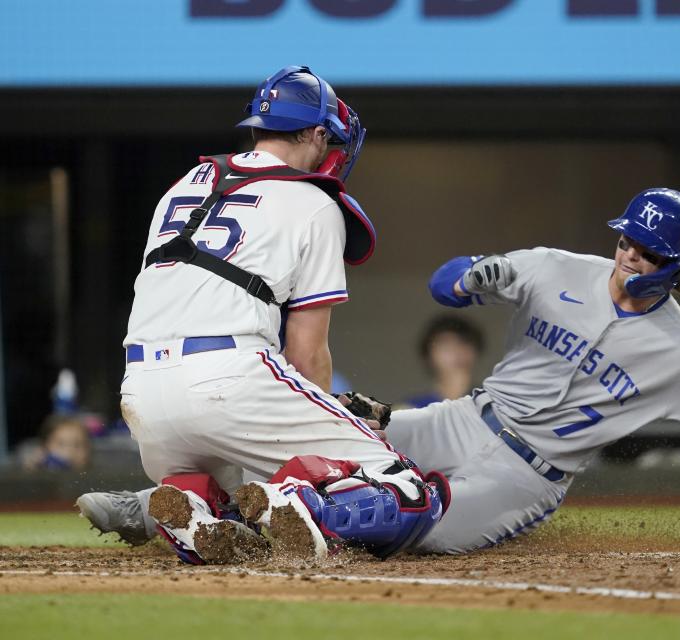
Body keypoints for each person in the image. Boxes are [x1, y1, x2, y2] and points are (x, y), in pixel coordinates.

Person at [80, 188, 680, 556]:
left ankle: (282, 510)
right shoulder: (562, 264)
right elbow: (453, 278)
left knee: (403, 522)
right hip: (457, 422)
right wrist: (469, 276)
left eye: (644, 249)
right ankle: (184, 504)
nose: (626, 253)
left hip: (527, 475)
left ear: (676, 266)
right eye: (626, 238)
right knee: (328, 429)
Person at [88, 65, 445, 564]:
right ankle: (297, 499)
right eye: (331, 139)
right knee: (413, 492)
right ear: (318, 135)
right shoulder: (315, 204)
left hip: (142, 396)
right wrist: (327, 413)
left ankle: (195, 505)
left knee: (242, 490)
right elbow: (306, 351)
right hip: (230, 376)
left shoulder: (184, 183)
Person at [405, 314, 485, 408]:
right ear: (429, 355)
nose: (456, 352)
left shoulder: (494, 405)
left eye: (463, 343)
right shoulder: (410, 409)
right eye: (446, 346)